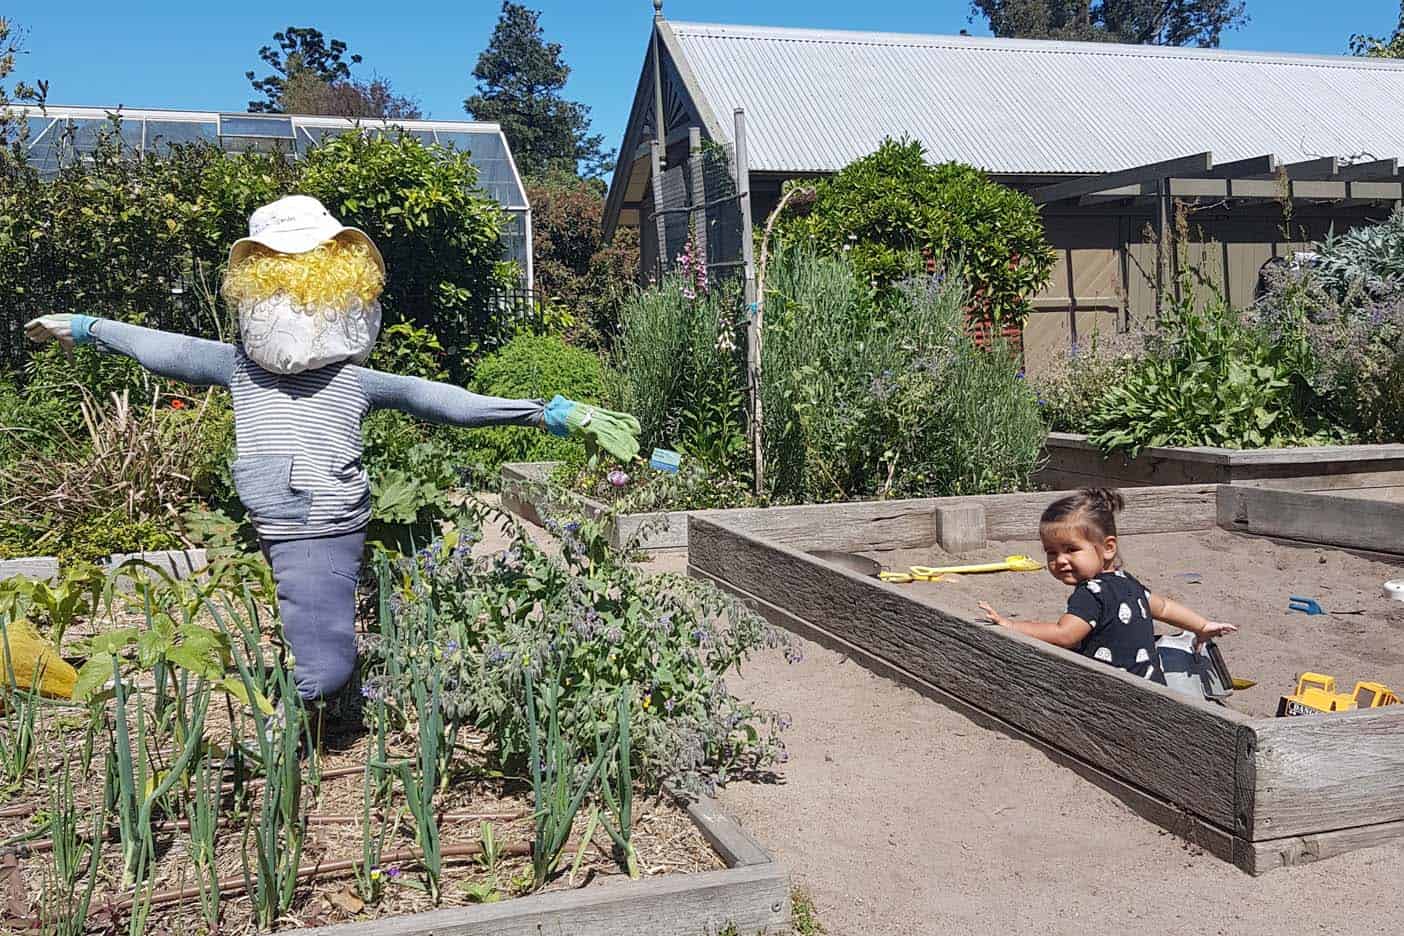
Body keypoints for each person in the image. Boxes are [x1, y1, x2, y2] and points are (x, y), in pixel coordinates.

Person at [24, 194, 640, 704]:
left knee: (325, 663)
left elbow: (443, 400)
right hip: (276, 517)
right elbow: (169, 349)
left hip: (325, 524)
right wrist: (90, 328)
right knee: (318, 646)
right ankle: (304, 713)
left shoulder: (349, 379)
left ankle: (305, 707)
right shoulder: (241, 367)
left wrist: (543, 413)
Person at [978, 487, 1236, 683]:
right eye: (1051, 553)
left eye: (1071, 549)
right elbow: (1165, 608)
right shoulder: (1128, 582)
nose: (1060, 561)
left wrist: (1012, 626)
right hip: (1153, 685)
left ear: (1108, 548)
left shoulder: (1090, 594)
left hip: (1115, 692)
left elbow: (1064, 635)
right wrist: (1201, 625)